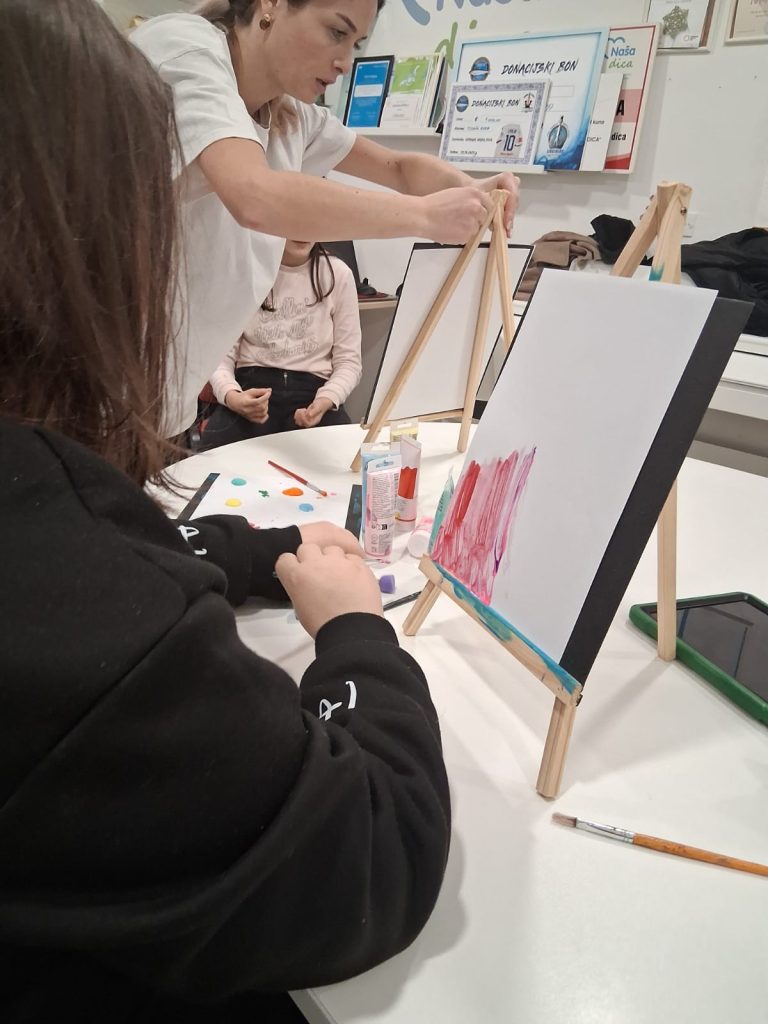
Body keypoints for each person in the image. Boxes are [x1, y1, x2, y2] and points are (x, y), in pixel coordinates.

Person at [0, 3, 450, 1022]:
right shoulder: (188, 59)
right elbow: (374, 850)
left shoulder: (293, 119)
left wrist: (243, 550)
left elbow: (390, 165)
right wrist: (357, 633)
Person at [131, 0, 521, 436]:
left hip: (158, 399)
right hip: (90, 383)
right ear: (271, 4)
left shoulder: (292, 117)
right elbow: (255, 195)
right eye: (337, 32)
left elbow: (397, 168)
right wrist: (425, 216)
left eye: (356, 43)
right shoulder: (186, 50)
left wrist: (474, 188)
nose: (345, 63)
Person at [203, 238, 361, 447]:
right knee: (215, 452)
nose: (303, 232)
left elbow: (349, 362)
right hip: (252, 388)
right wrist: (232, 396)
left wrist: (327, 399)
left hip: (315, 390)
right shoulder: (247, 271)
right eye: (293, 222)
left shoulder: (338, 274)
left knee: (344, 452)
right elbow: (220, 355)